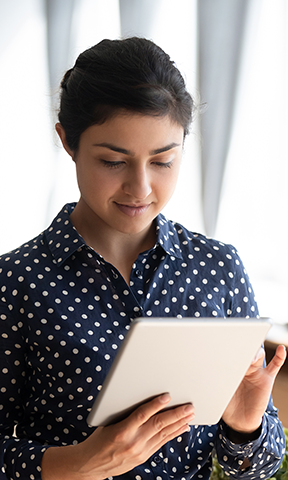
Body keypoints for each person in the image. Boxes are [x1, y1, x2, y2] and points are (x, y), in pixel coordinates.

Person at [0, 37, 286, 480]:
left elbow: (255, 470)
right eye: (114, 161)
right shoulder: (16, 282)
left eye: (163, 160)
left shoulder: (218, 269)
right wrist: (75, 464)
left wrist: (245, 423)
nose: (141, 188)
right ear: (68, 141)